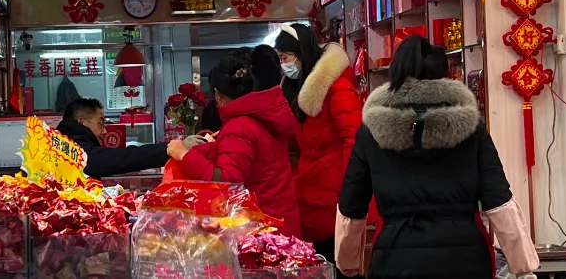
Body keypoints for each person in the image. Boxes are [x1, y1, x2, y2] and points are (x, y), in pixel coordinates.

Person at [335, 35, 539, 279]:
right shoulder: (471, 128)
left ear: (396, 71)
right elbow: (499, 201)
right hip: (465, 259)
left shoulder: (371, 131)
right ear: (444, 72)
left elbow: (352, 204)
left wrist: (347, 261)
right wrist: (523, 266)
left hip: (396, 259)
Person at [166, 50, 302, 238]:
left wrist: (184, 155)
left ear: (218, 95)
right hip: (281, 220)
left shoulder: (239, 126)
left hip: (264, 229)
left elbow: (227, 180)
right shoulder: (260, 114)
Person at [274, 23, 362, 274]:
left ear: (301, 53)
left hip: (334, 193)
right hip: (310, 190)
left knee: (337, 263)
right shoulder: (295, 88)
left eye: (285, 57)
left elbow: (353, 140)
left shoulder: (337, 87)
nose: (283, 64)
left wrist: (349, 190)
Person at [56, 98, 173, 180]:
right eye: (101, 124)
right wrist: (167, 150)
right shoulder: (70, 148)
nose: (104, 131)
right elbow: (119, 158)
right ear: (82, 122)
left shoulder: (65, 140)